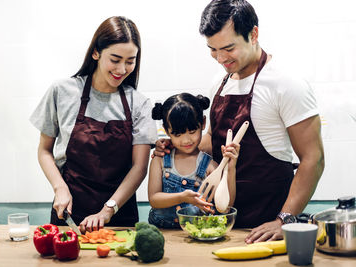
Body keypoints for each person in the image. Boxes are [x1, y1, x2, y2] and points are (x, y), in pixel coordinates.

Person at [154, 0, 324, 243]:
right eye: (212, 49)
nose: (220, 58)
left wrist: (284, 219)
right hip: (221, 221)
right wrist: (175, 146)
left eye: (228, 48)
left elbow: (314, 159)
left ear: (253, 34)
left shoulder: (287, 83)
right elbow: (213, 139)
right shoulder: (219, 83)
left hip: (268, 222)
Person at [30, 16, 157, 232]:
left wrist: (108, 209)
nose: (122, 69)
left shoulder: (139, 103)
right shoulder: (62, 91)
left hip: (119, 216)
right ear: (96, 53)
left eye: (130, 60)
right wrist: (60, 187)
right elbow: (44, 151)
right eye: (115, 59)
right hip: (68, 213)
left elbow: (139, 167)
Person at [148, 93, 240, 228]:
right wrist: (182, 197)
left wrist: (230, 168)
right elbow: (154, 199)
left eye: (192, 131)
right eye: (177, 134)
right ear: (167, 131)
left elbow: (225, 206)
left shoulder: (210, 166)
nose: (186, 140)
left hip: (197, 235)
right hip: (162, 234)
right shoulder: (160, 160)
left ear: (202, 123)